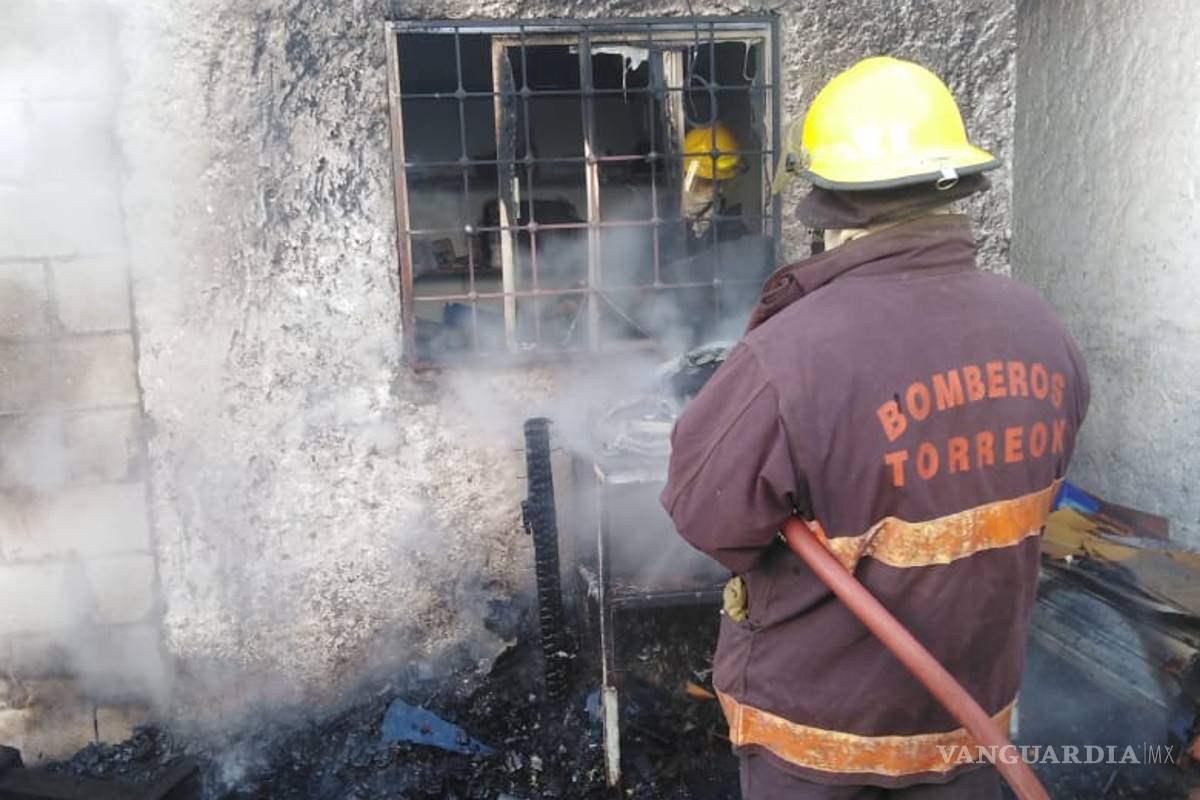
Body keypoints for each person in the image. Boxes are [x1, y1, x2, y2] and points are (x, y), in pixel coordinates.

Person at [660, 56, 1089, 799]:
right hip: (970, 729)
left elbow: (706, 518)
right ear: (955, 188)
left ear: (828, 204)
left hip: (819, 745)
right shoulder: (1043, 328)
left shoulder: (791, 354)